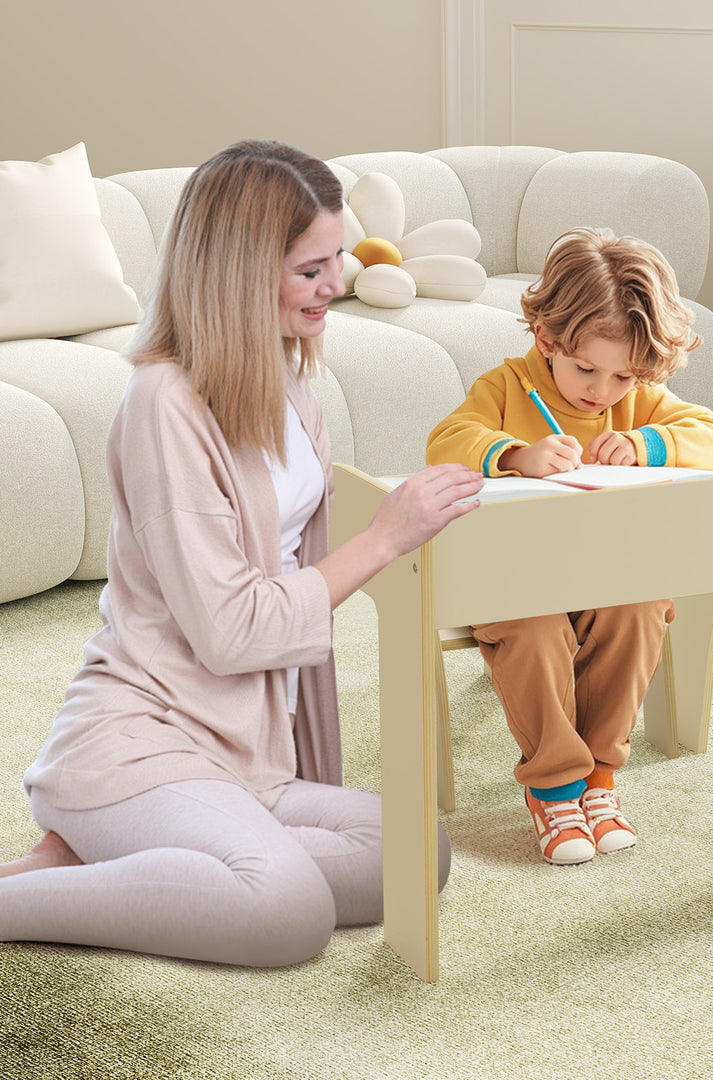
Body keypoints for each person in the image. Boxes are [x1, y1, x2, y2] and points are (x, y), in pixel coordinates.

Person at [0, 141, 483, 967]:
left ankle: (128, 857)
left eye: (337, 259)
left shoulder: (286, 374)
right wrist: (383, 538)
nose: (337, 283)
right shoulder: (164, 402)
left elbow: (292, 557)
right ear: (240, 274)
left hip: (247, 752)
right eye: (311, 270)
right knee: (285, 908)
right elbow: (229, 631)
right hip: (144, 741)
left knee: (416, 852)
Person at [426, 227, 713, 866]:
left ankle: (598, 775)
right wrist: (516, 454)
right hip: (510, 578)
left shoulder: (636, 398)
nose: (602, 391)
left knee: (642, 607)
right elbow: (446, 442)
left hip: (601, 571)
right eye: (586, 369)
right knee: (534, 627)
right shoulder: (507, 385)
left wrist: (648, 444)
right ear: (547, 340)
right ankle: (553, 784)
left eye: (623, 375)